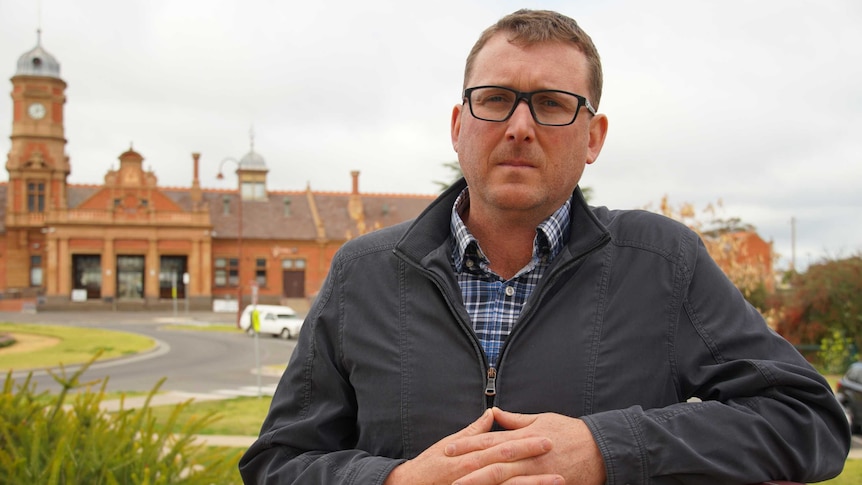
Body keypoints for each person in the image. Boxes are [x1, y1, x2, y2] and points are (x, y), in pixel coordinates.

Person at [239, 9, 849, 484]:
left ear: (593, 137)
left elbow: (808, 420)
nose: (520, 126)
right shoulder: (363, 274)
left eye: (553, 104)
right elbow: (276, 462)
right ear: (458, 125)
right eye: (496, 99)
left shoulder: (663, 263)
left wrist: (609, 450)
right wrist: (395, 479)